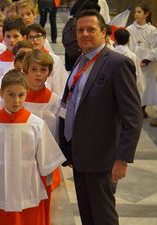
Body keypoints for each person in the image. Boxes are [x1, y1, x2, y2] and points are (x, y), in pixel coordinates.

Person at [59, 10, 142, 225]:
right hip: (79, 154)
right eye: (80, 30)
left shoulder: (117, 64)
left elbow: (132, 115)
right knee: (87, 215)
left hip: (103, 157)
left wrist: (122, 158)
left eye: (91, 29)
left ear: (103, 33)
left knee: (103, 216)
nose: (85, 34)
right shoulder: (80, 60)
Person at [0, 69, 66, 225]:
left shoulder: (36, 124)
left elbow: (47, 166)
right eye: (10, 94)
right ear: (1, 93)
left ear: (26, 93)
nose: (16, 100)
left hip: (27, 188)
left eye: (21, 95)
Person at [22, 49, 62, 225]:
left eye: (43, 70)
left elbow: (58, 133)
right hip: (19, 158)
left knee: (41, 201)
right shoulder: (16, 97)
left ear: (50, 72)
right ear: (25, 71)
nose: (38, 74)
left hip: (43, 161)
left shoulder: (55, 101)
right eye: (34, 69)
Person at [126, 3, 157, 119]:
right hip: (133, 63)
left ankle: (142, 108)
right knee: (133, 86)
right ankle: (134, 108)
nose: (136, 14)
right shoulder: (129, 29)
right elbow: (126, 45)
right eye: (135, 12)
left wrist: (148, 59)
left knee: (146, 87)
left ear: (146, 14)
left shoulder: (152, 31)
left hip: (147, 65)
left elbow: (156, 47)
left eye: (139, 12)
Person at [0, 16, 26, 86]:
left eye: (16, 36)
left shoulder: (30, 59)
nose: (11, 40)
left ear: (23, 37)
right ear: (3, 38)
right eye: (8, 36)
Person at [113, 28, 145, 98]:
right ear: (128, 41)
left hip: (112, 88)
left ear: (114, 39)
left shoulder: (109, 54)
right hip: (127, 88)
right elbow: (138, 76)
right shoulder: (132, 56)